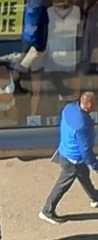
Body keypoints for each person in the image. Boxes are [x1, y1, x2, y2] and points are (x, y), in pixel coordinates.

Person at [40, 91, 98, 224]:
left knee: (84, 175)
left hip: (65, 151)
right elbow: (86, 151)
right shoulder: (83, 124)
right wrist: (96, 165)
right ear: (88, 105)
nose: (95, 106)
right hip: (74, 159)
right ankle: (47, 211)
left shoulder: (69, 108)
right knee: (63, 185)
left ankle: (95, 198)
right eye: (94, 103)